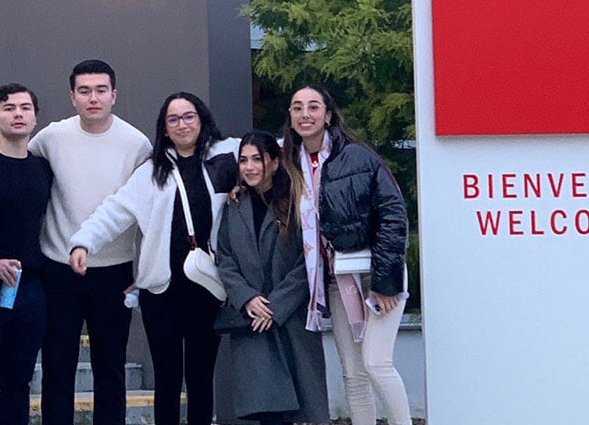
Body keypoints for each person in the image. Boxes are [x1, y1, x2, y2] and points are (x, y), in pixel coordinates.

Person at [69, 91, 238, 425]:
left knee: (202, 376)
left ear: (201, 118)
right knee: (167, 376)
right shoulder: (151, 172)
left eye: (189, 116)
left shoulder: (228, 155)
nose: (182, 124)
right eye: (173, 119)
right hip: (161, 290)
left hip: (208, 287)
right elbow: (114, 211)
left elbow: (272, 156)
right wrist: (83, 242)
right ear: (164, 127)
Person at [29, 59, 152, 425]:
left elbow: (147, 212)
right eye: (84, 91)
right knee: (56, 364)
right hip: (58, 268)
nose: (93, 98)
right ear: (72, 97)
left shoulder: (137, 144)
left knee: (110, 367)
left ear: (114, 95)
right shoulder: (51, 137)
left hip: (114, 272)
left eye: (101, 90)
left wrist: (141, 270)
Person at [285, 84, 409, 425]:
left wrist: (384, 282)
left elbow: (393, 215)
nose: (305, 114)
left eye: (313, 107)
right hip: (337, 278)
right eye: (297, 107)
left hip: (375, 273)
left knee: (376, 363)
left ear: (328, 114)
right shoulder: (291, 164)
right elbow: (253, 170)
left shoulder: (358, 157)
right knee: (353, 374)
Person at [214, 131, 327, 424]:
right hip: (252, 318)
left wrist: (275, 305)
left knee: (297, 405)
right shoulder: (234, 205)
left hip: (289, 317)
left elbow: (309, 260)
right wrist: (247, 298)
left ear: (275, 163)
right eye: (243, 160)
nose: (249, 167)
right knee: (268, 409)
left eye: (257, 159)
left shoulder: (297, 202)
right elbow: (225, 258)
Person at [0, 83, 53, 425]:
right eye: (9, 108)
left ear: (35, 118)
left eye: (25, 108)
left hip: (30, 287)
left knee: (18, 381)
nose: (18, 114)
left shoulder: (43, 169)